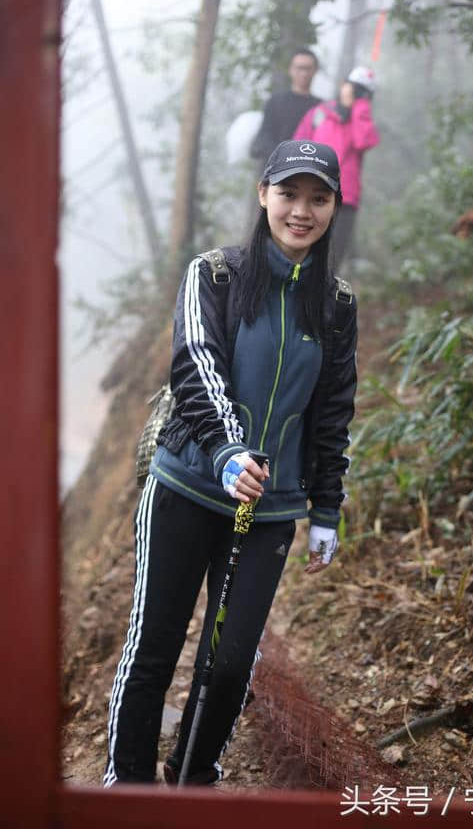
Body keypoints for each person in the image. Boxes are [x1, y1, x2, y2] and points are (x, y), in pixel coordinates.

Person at [104, 140, 357, 786]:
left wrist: (326, 505)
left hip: (266, 510)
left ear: (333, 206)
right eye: (289, 194)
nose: (302, 210)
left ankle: (194, 780)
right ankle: (125, 789)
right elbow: (197, 365)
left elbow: (333, 410)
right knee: (155, 647)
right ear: (263, 194)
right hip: (187, 487)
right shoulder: (213, 274)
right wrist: (226, 450)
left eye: (318, 198)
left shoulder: (336, 303)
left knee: (231, 660)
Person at [294, 65, 380, 270]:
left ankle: (322, 301)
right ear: (344, 85)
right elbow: (297, 146)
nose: (356, 93)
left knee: (332, 260)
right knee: (303, 252)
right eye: (354, 87)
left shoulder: (360, 121)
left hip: (345, 199)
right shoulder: (319, 114)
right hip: (313, 192)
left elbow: (363, 142)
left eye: (363, 92)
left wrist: (359, 107)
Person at [249, 48, 322, 169]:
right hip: (275, 172)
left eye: (308, 68)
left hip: (309, 176)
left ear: (315, 71)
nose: (304, 73)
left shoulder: (320, 107)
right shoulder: (275, 102)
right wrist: (285, 157)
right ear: (291, 70)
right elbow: (264, 137)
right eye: (300, 68)